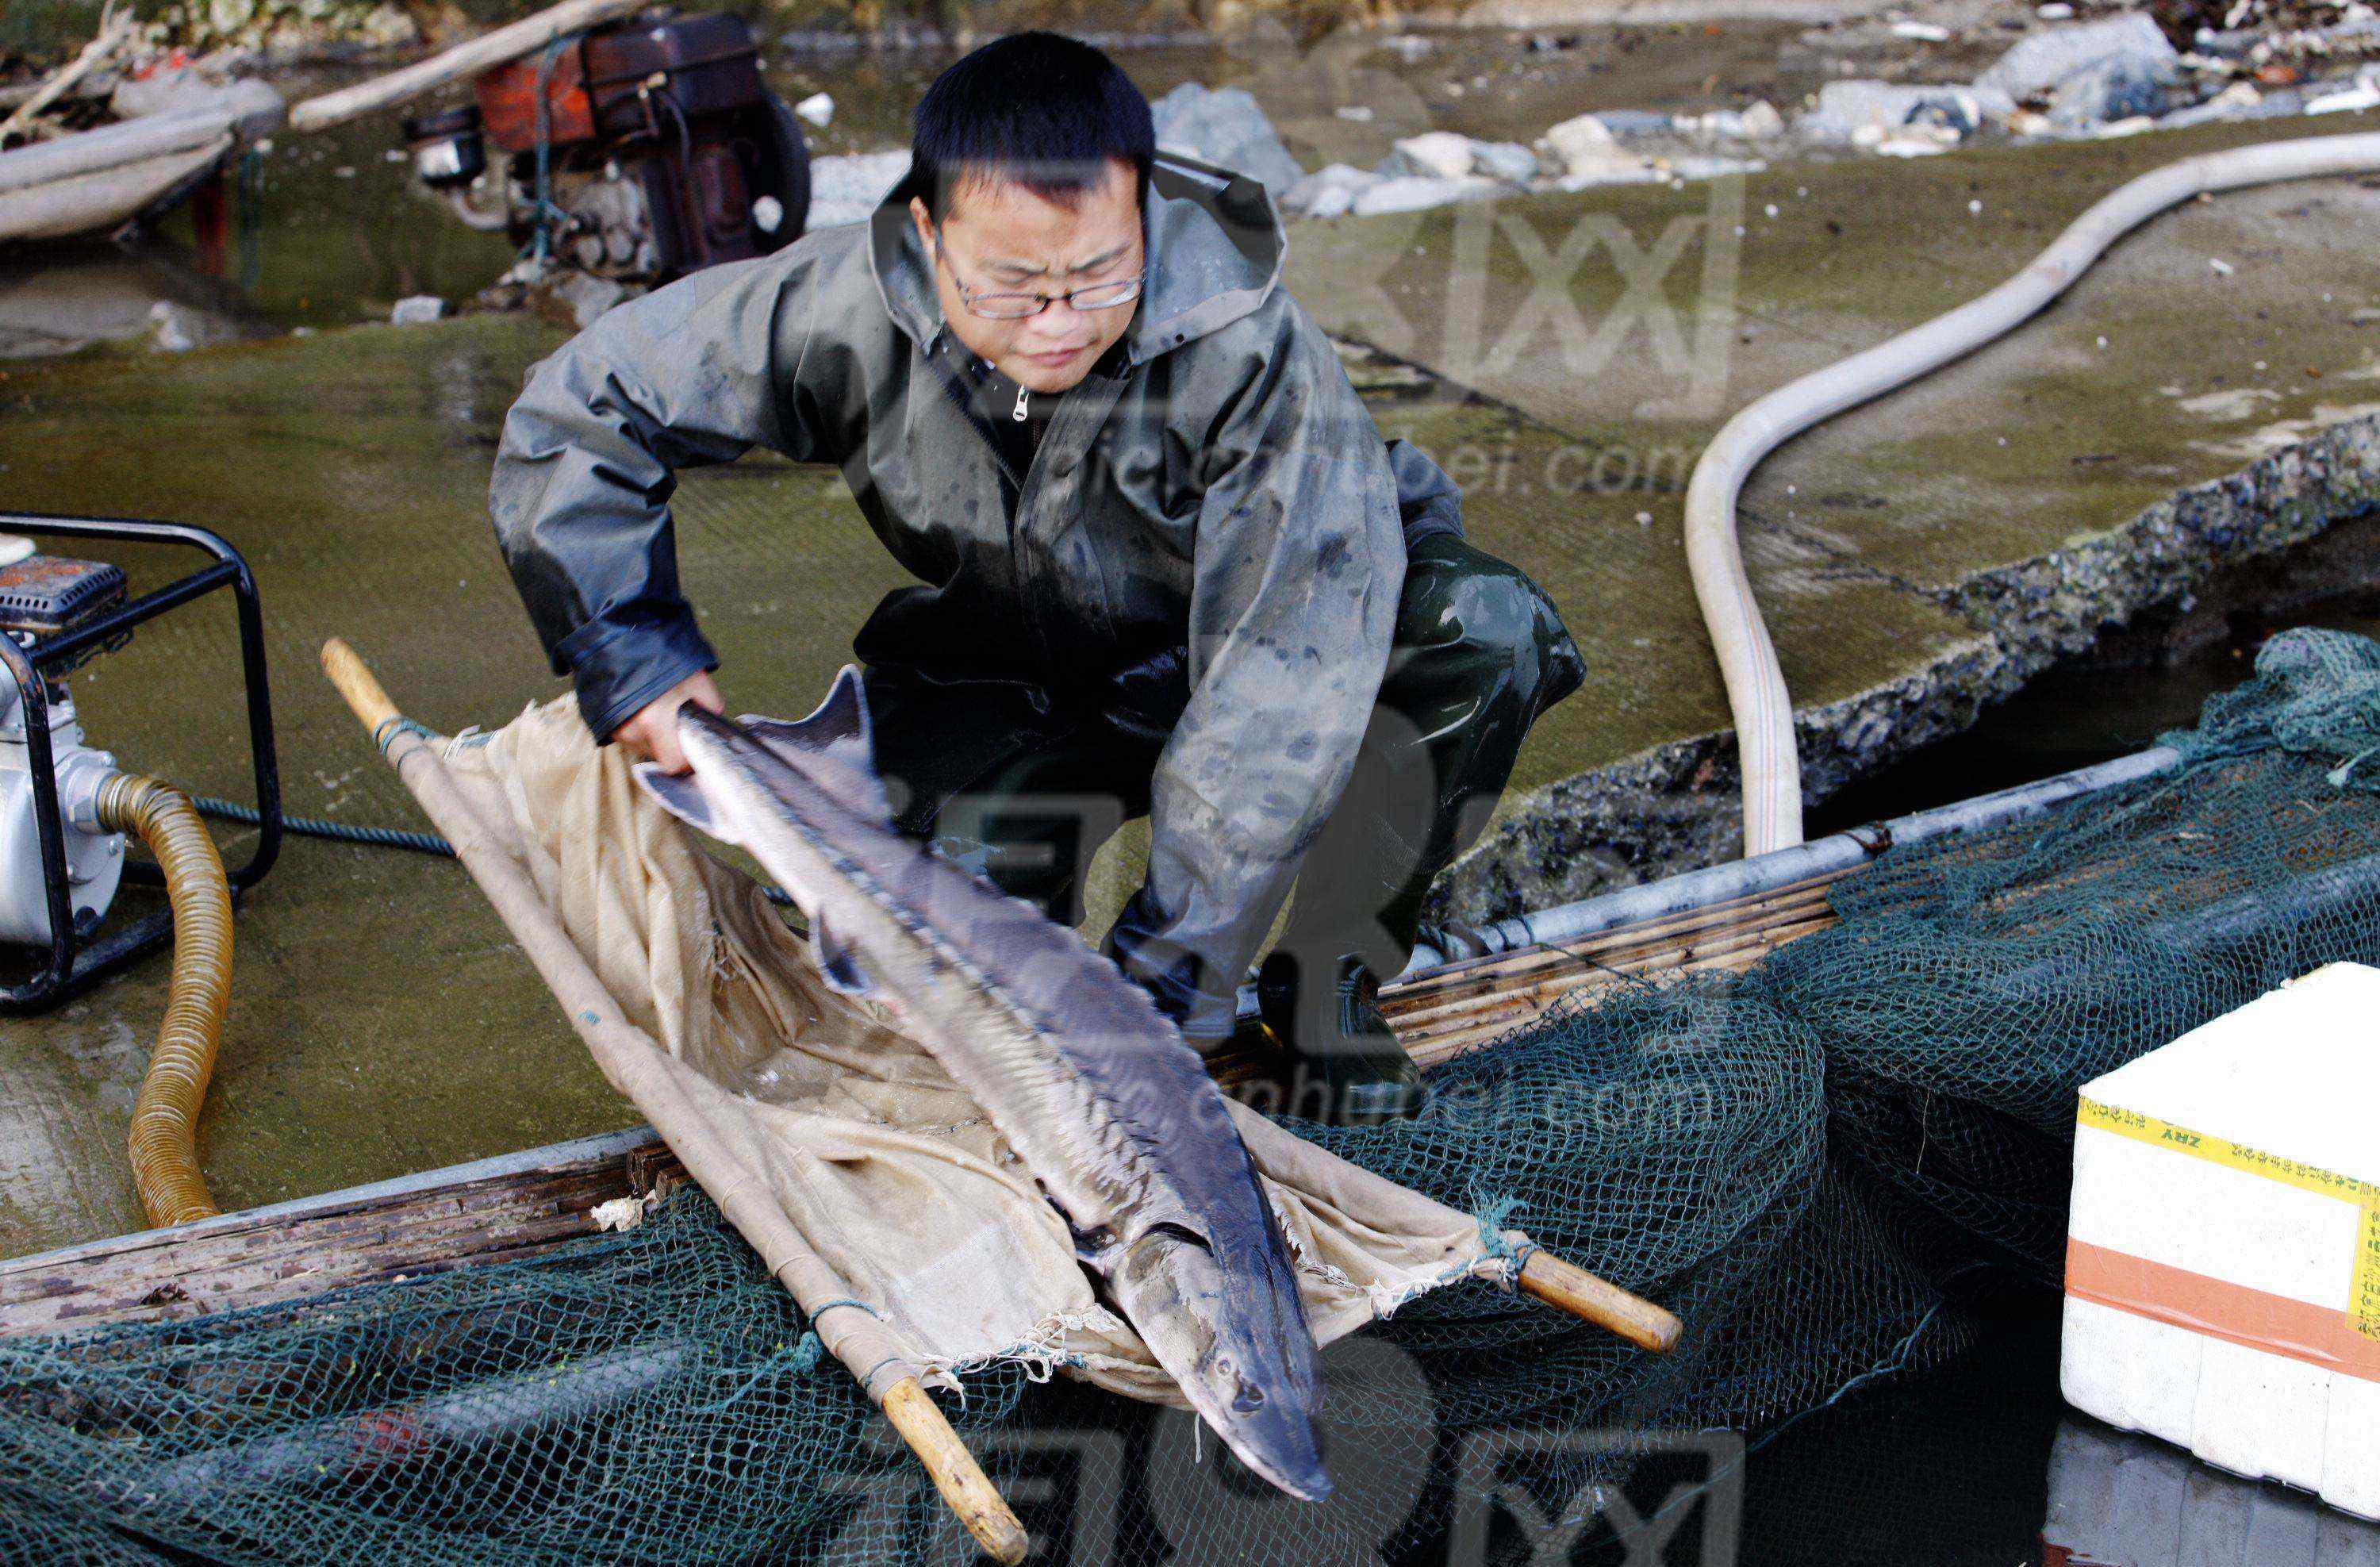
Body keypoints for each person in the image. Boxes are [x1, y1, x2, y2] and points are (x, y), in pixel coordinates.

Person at [491, 32, 1582, 1124]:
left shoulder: (1254, 357)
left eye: (1099, 275)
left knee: (1481, 629)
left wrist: (1165, 1000)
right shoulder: (838, 303)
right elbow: (582, 407)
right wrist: (638, 659)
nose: (1058, 326)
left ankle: (1329, 982)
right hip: (1016, 666)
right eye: (1013, 286)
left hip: (1285, 645)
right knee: (943, 981)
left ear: (1144, 215)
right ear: (928, 233)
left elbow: (1276, 699)